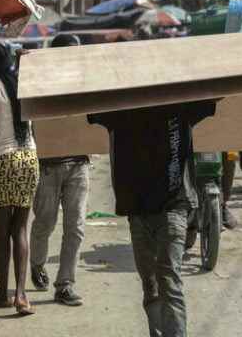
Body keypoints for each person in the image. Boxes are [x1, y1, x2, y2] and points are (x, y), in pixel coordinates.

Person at [88, 100, 218, 337]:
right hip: (138, 213)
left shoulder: (180, 105)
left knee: (169, 281)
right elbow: (89, 107)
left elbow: (215, 95)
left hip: (173, 208)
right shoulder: (121, 109)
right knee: (150, 286)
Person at [0, 42, 40, 315]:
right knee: (21, 229)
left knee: (2, 231)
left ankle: (3, 293)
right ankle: (22, 295)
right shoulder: (21, 84)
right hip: (28, 159)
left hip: (3, 160)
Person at [29, 34, 89, 307]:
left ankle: (65, 285)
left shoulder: (85, 83)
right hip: (48, 166)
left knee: (75, 228)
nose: (73, 56)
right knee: (45, 223)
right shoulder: (39, 84)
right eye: (68, 51)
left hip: (79, 163)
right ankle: (37, 263)